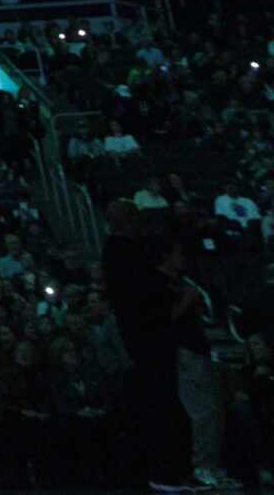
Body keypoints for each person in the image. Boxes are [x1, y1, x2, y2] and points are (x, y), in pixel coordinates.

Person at [100, 199, 188, 493]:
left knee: (160, 400)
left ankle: (170, 469)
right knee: (157, 401)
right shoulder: (122, 252)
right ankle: (163, 471)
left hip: (148, 333)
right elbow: (143, 293)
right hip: (146, 335)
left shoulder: (122, 251)